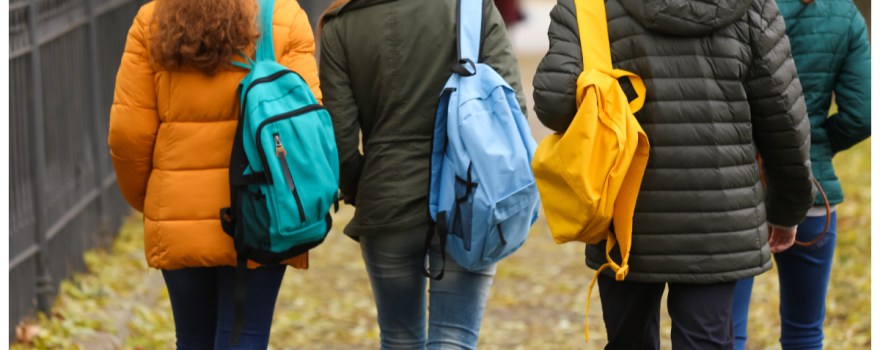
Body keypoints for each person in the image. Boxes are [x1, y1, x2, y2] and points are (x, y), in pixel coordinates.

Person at [533, 0, 815, 348]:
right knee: (705, 341)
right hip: (720, 221)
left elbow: (554, 104)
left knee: (628, 340)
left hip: (623, 213)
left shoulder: (588, 6)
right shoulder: (752, 7)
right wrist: (788, 209)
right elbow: (784, 117)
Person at [107, 0, 321, 348]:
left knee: (192, 339)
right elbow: (307, 125)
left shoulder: (152, 21)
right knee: (246, 336)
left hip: (178, 211)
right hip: (263, 211)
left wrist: (150, 201)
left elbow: (127, 134)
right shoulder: (283, 17)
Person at [318, 0, 526, 348]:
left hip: (387, 196)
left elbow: (338, 141)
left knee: (399, 338)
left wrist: (362, 189)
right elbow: (511, 105)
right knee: (455, 337)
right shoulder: (471, 7)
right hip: (469, 196)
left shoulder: (341, 24)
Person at [732, 0, 871, 348]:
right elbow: (863, 114)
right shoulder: (844, 15)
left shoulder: (731, 7)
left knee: (725, 330)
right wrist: (815, 148)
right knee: (805, 331)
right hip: (811, 188)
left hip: (736, 188)